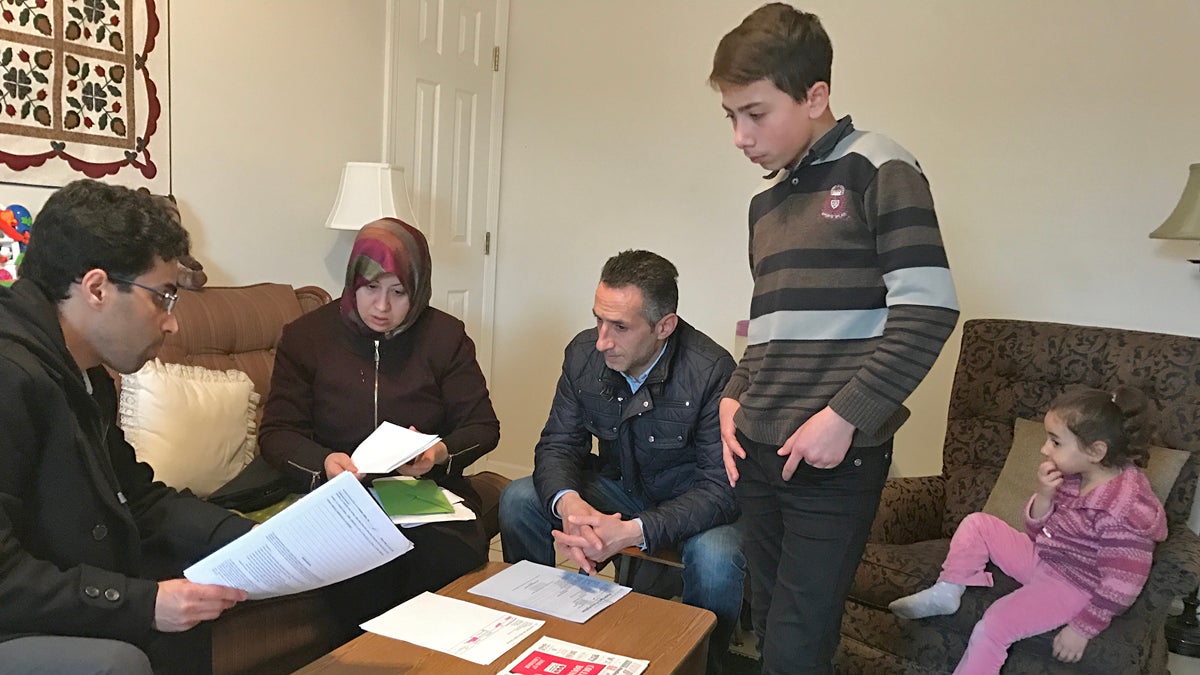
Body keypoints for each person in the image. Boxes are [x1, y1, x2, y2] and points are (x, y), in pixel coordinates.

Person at [709, 5, 960, 673]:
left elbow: (930, 308)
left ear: (815, 95)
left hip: (832, 461)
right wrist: (734, 395)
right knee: (769, 624)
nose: (740, 135)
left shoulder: (880, 166)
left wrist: (845, 416)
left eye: (755, 113)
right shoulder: (765, 206)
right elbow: (766, 330)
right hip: (757, 452)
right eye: (730, 116)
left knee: (797, 638)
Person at [0, 180, 255, 674]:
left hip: (52, 594)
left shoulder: (86, 374)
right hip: (14, 613)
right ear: (97, 288)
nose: (171, 323)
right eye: (162, 297)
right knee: (121, 658)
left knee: (189, 609)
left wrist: (254, 539)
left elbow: (136, 497)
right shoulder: (10, 376)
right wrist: (137, 602)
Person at [499, 249, 744, 675]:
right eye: (598, 319)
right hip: (621, 488)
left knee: (719, 556)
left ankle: (704, 666)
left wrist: (631, 532)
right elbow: (558, 444)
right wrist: (571, 505)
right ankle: (532, 632)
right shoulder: (583, 355)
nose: (602, 340)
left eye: (620, 327)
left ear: (664, 326)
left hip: (693, 505)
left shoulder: (711, 370)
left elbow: (720, 489)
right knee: (520, 498)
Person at [259, 217, 498, 640]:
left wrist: (436, 454)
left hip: (423, 494)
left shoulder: (445, 337)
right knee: (358, 567)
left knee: (446, 554)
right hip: (340, 496)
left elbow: (481, 426)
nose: (382, 307)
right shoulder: (306, 337)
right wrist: (325, 462)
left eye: (398, 291)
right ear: (353, 282)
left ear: (419, 289)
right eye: (370, 288)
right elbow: (277, 432)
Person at [889, 387, 1167, 673]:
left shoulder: (1123, 511)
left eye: (1056, 442)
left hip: (1072, 586)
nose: (1045, 449)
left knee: (993, 625)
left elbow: (1122, 584)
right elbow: (1038, 534)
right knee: (977, 522)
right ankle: (947, 590)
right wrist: (1045, 496)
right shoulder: (1074, 477)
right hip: (1044, 558)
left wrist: (1083, 629)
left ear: (1096, 451)